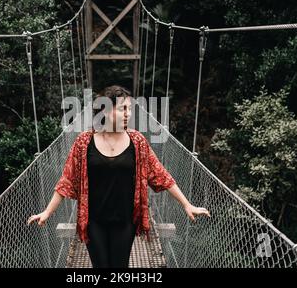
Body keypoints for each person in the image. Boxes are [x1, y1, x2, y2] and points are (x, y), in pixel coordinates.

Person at [28, 85, 210, 268]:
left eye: (130, 109)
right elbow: (67, 179)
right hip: (94, 221)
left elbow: (160, 174)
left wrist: (187, 204)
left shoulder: (137, 142)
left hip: (125, 221)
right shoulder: (84, 142)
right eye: (123, 108)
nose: (128, 114)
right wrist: (47, 212)